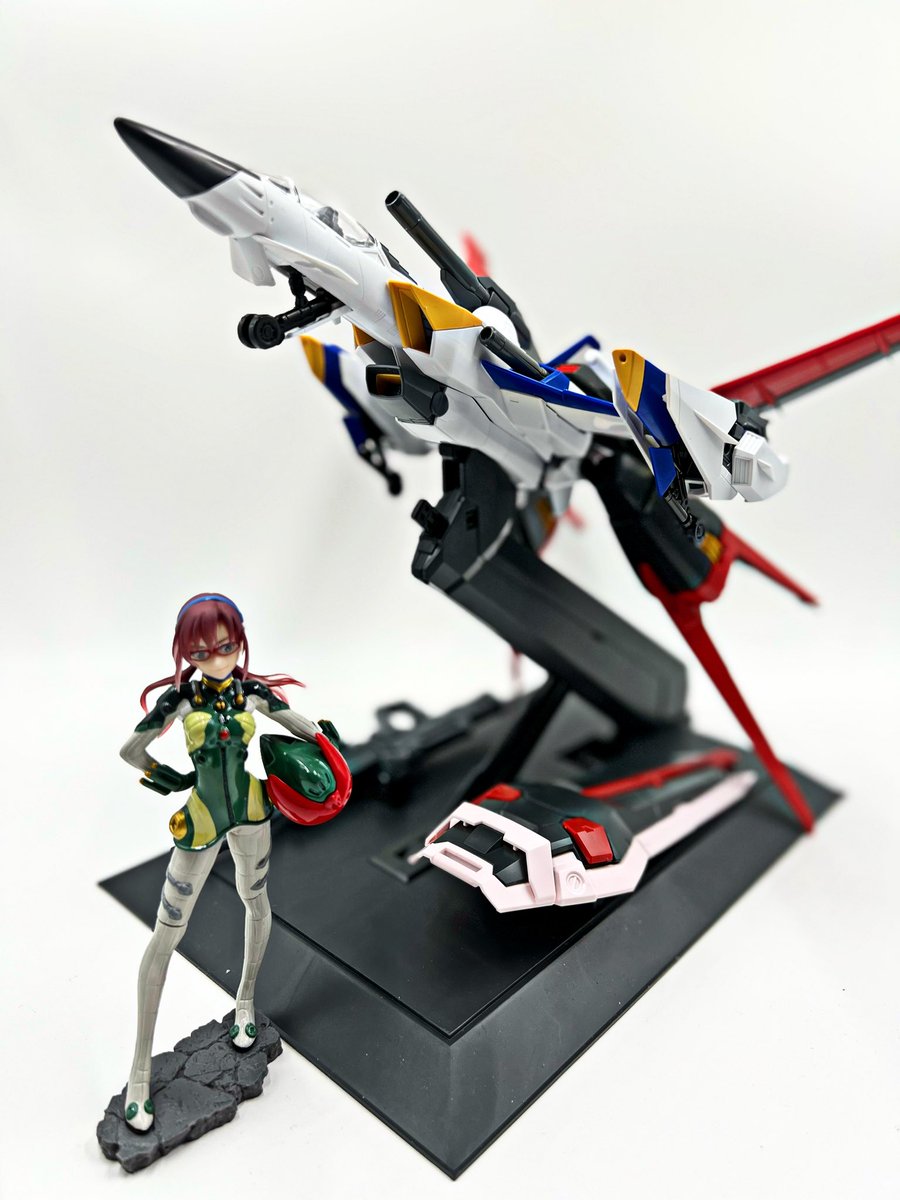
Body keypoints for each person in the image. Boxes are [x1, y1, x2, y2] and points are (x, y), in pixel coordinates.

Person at [119, 593, 322, 1132]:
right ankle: (140, 1072)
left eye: (226, 646)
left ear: (239, 641)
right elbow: (131, 750)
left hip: (251, 811)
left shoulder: (252, 692)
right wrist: (163, 776)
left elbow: (303, 726)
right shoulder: (181, 699)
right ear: (186, 653)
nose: (215, 658)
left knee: (256, 900)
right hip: (202, 820)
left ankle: (245, 1001)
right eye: (201, 652)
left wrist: (329, 754)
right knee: (166, 935)